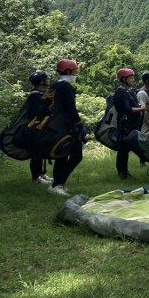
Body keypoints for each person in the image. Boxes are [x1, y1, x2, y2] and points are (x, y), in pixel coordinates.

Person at [47, 59, 87, 196]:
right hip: (67, 127)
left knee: (61, 156)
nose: (76, 74)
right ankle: (57, 184)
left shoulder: (54, 86)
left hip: (55, 127)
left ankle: (58, 184)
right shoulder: (66, 87)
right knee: (76, 156)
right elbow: (71, 108)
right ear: (68, 71)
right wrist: (80, 124)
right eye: (75, 71)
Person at [113, 68, 147, 180]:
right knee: (123, 149)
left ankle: (126, 172)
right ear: (124, 79)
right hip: (125, 125)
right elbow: (126, 109)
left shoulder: (130, 91)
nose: (133, 79)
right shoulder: (120, 92)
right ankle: (123, 173)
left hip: (133, 124)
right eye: (131, 77)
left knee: (127, 149)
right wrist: (141, 109)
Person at [26, 70, 53, 185]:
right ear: (42, 81)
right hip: (35, 128)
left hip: (41, 127)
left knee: (41, 151)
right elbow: (36, 113)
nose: (47, 81)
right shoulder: (35, 95)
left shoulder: (40, 93)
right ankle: (36, 177)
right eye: (46, 79)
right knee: (36, 153)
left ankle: (41, 173)